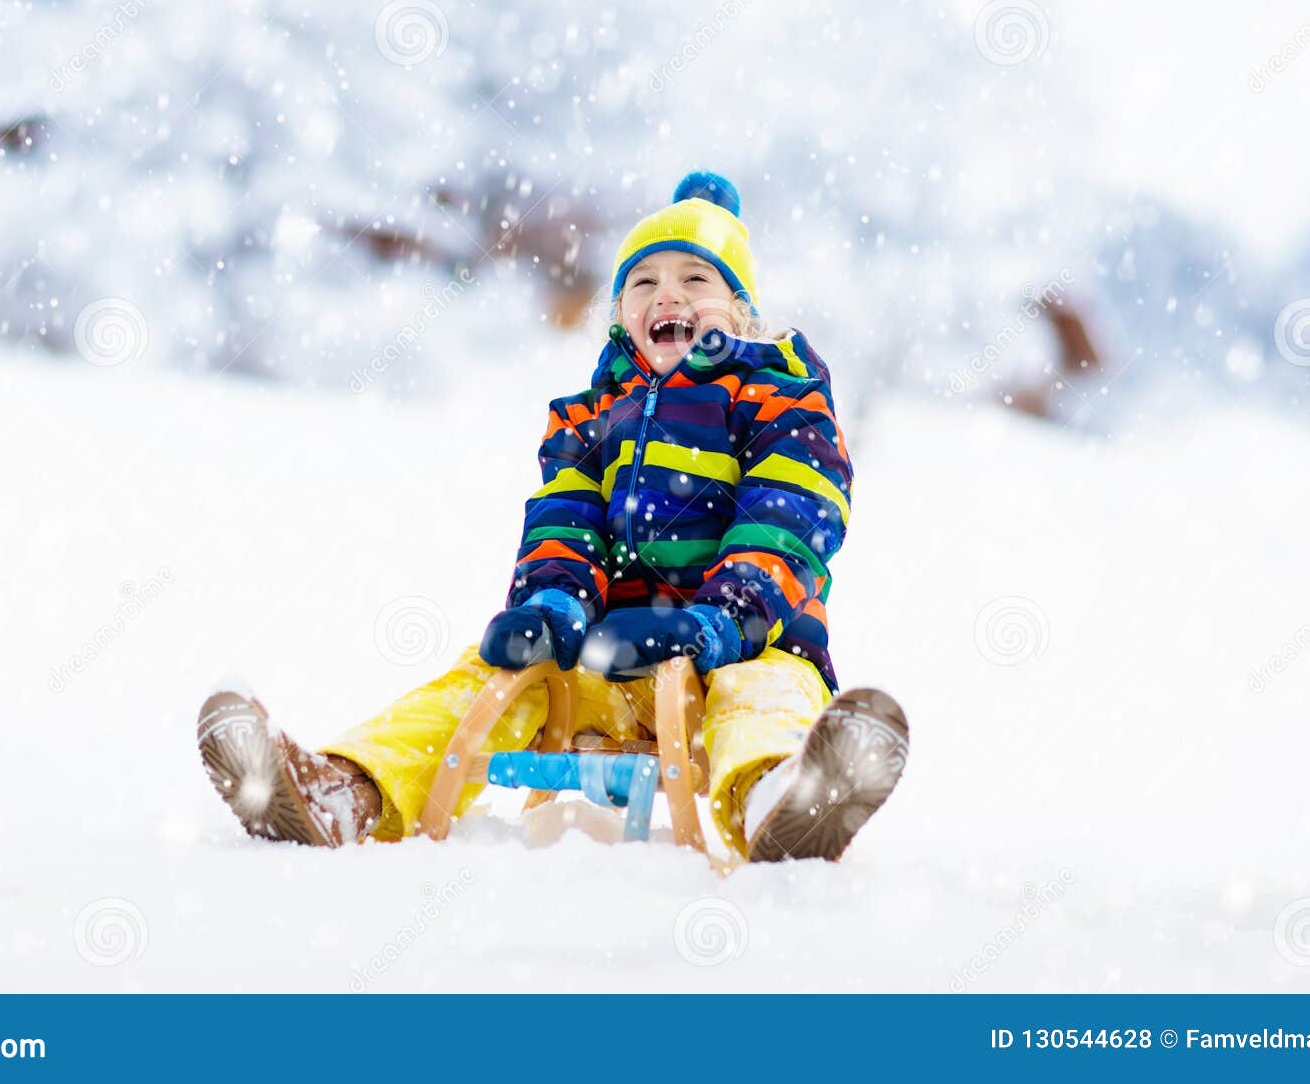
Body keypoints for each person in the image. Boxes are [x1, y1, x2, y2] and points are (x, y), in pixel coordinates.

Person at [196, 171, 910, 862]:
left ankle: (783, 800)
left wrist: (723, 619)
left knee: (765, 698)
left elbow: (791, 517)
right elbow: (563, 522)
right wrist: (552, 603)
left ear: (741, 311)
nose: (669, 294)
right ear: (622, 314)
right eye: (644, 281)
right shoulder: (591, 416)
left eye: (697, 279)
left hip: (748, 645)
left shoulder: (779, 398)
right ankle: (345, 791)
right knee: (476, 681)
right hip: (608, 662)